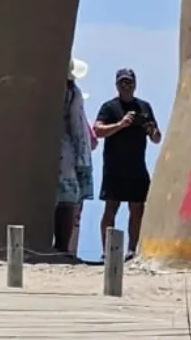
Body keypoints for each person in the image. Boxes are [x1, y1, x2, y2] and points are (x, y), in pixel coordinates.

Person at [94, 68, 161, 262]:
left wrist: (151, 130)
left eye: (129, 82)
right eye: (122, 82)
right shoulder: (109, 107)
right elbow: (97, 130)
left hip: (137, 165)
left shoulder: (144, 107)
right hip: (114, 166)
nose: (126, 86)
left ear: (135, 84)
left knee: (137, 207)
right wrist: (120, 124)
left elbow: (157, 138)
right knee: (111, 207)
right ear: (116, 85)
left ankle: (132, 250)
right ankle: (107, 252)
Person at [54, 58, 96, 258]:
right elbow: (78, 127)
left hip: (54, 146)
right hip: (65, 150)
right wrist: (83, 160)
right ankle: (62, 246)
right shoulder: (72, 94)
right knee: (67, 199)